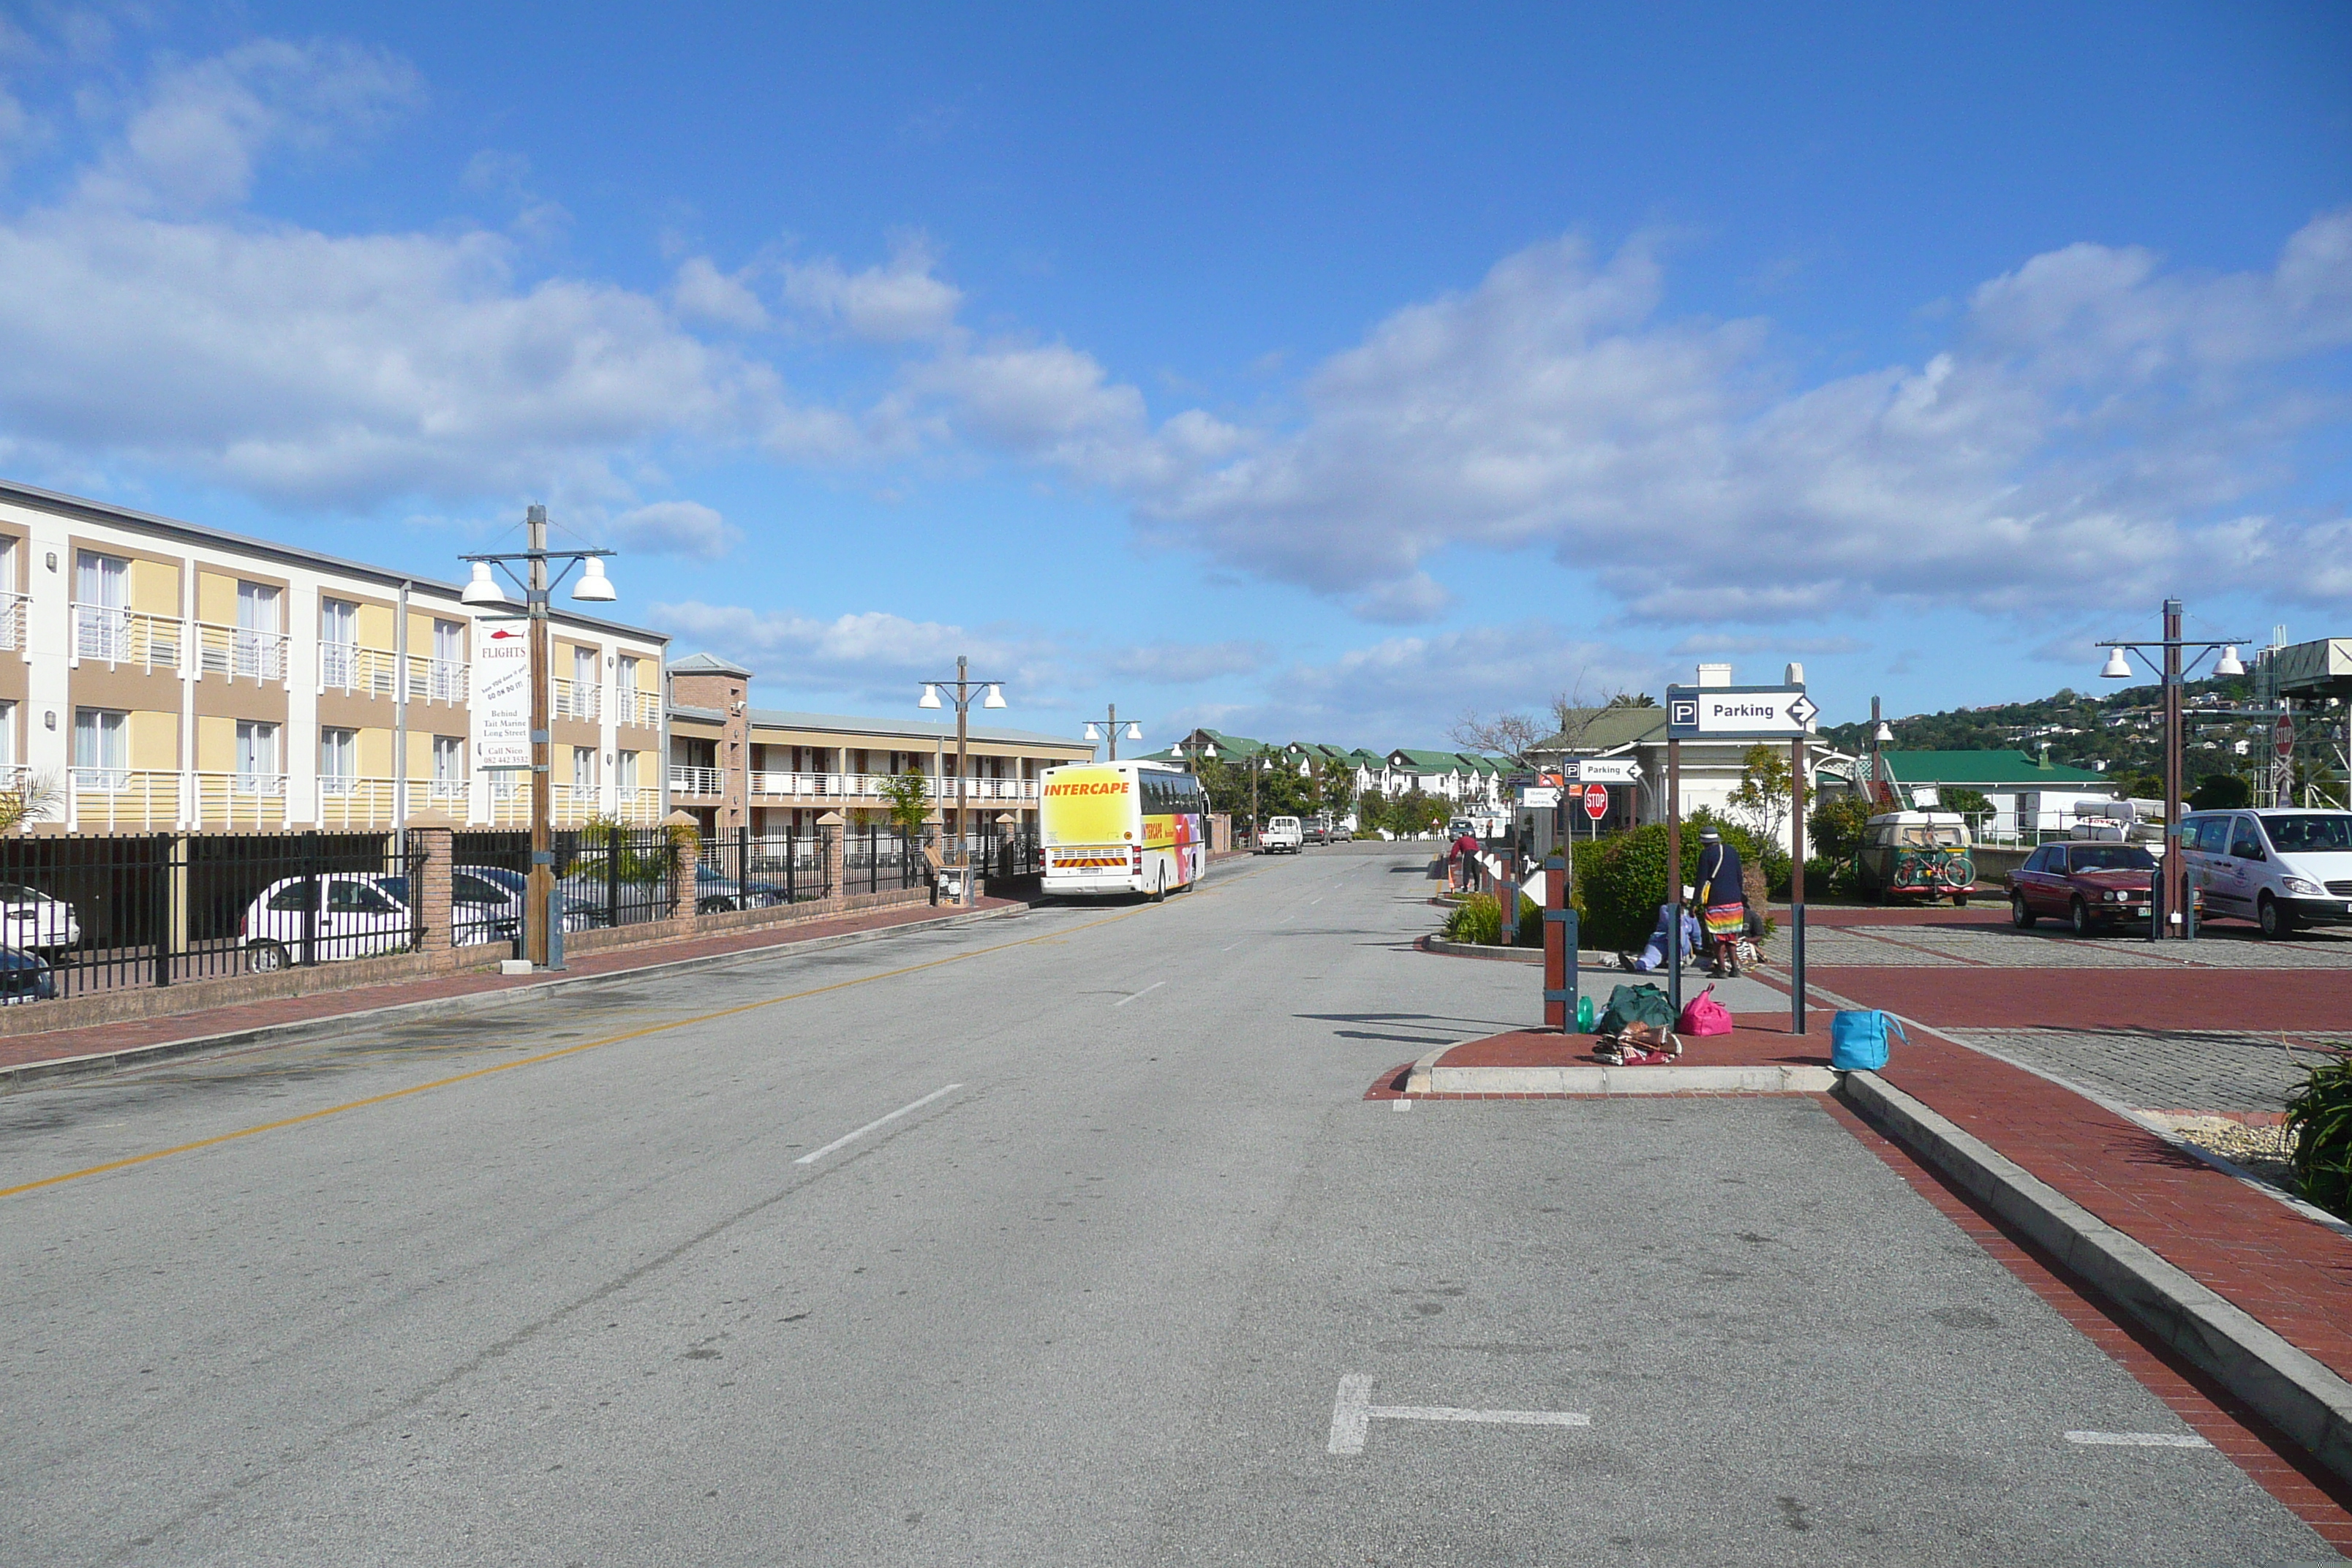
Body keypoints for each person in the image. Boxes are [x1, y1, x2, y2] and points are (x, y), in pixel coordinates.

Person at [1695, 827, 1746, 976]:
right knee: (1732, 936)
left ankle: (1722, 969)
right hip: (1735, 901)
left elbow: (1701, 880)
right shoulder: (1731, 851)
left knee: (1718, 937)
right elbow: (1739, 876)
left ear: (1704, 842)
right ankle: (1735, 968)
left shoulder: (1706, 855)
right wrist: (1739, 895)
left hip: (1716, 901)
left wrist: (1695, 903)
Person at [1618, 894, 1703, 973]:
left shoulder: (1690, 916)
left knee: (1679, 930)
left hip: (1681, 945)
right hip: (1661, 941)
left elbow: (1696, 933)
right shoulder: (1665, 909)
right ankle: (1637, 966)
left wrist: (1699, 947)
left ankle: (1677, 961)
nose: (1683, 899)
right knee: (1651, 957)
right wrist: (1679, 913)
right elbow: (1670, 922)